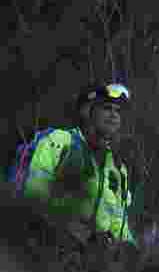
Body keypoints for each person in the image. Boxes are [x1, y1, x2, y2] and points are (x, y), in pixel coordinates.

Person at [18, 82, 136, 269]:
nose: (114, 115)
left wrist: (131, 250)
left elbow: (119, 224)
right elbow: (33, 197)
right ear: (87, 112)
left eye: (118, 111)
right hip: (52, 256)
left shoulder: (117, 169)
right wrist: (82, 234)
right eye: (106, 108)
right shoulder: (59, 143)